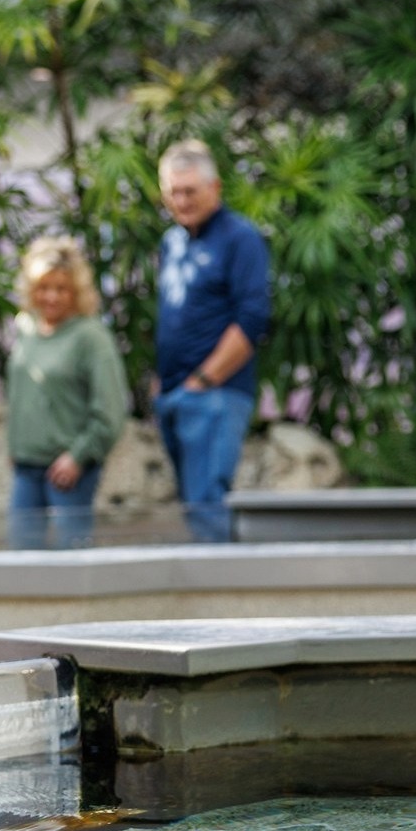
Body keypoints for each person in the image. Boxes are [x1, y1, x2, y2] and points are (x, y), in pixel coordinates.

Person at [152, 139, 271, 543]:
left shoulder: (240, 238)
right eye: (173, 192)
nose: (181, 200)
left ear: (215, 188)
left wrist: (204, 379)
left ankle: (226, 601)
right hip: (174, 394)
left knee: (208, 506)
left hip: (215, 395)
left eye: (190, 191)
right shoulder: (172, 242)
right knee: (192, 506)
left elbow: (253, 319)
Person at [3, 236, 129, 550]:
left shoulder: (91, 337)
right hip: (26, 467)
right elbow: (21, 396)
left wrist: (78, 456)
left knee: (69, 561)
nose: (52, 297)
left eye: (62, 289)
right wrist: (15, 445)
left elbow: (110, 411)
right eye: (44, 287)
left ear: (77, 292)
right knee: (20, 556)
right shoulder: (27, 330)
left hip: (68, 472)